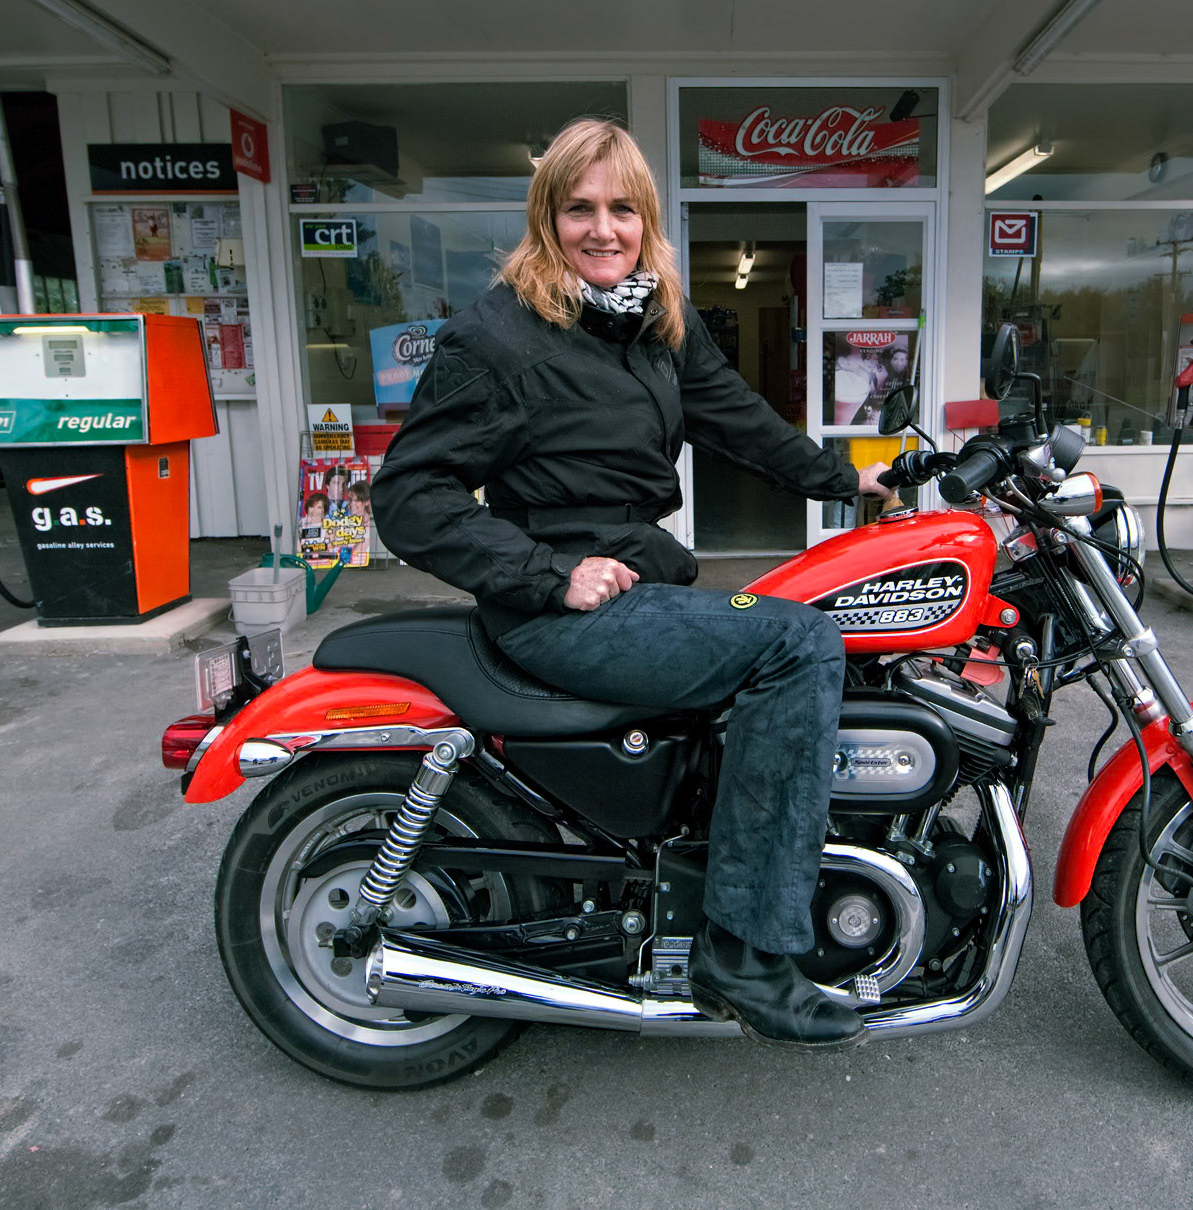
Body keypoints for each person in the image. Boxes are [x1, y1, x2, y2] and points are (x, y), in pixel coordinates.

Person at [373, 118, 895, 1052]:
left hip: (638, 577)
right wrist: (547, 573)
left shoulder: (653, 321)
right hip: (560, 607)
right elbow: (410, 498)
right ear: (548, 217)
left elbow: (735, 416)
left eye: (621, 208)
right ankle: (746, 952)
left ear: (646, 219)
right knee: (797, 640)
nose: (602, 228)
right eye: (580, 209)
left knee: (807, 621)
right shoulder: (496, 335)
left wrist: (847, 480)